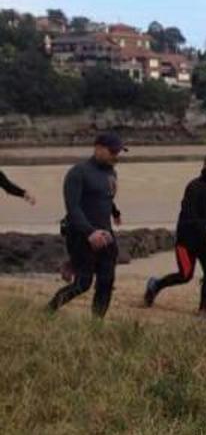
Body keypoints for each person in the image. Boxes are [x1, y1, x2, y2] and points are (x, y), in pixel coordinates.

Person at [144, 150, 206, 318]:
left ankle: (203, 309)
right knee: (185, 275)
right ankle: (156, 284)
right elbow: (190, 216)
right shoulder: (194, 187)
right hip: (187, 242)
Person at [48, 133, 125, 318]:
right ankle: (48, 311)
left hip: (106, 233)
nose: (117, 156)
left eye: (119, 152)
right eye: (113, 151)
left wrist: (115, 212)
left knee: (106, 281)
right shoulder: (78, 172)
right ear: (98, 148)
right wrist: (90, 232)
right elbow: (72, 207)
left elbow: (105, 197)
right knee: (83, 284)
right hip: (81, 234)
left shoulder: (111, 172)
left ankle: (96, 324)